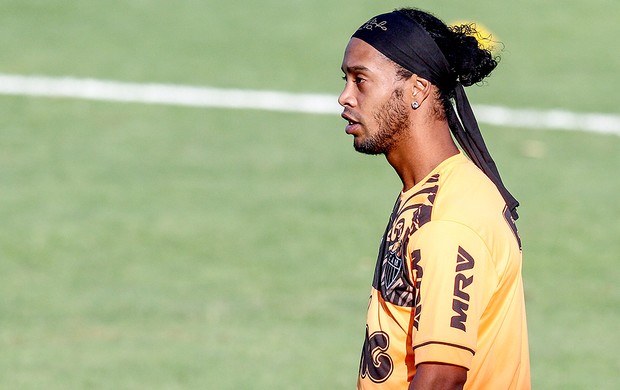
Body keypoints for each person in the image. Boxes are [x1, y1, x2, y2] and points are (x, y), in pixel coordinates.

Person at [338, 8, 530, 390]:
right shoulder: (431, 188)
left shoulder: (448, 221)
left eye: (360, 80)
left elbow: (441, 379)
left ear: (417, 89)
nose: (344, 97)